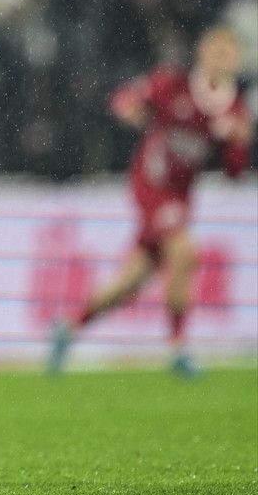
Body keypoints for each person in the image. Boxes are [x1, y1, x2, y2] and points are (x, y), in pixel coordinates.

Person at [48, 27, 253, 378]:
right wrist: (131, 111)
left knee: (132, 280)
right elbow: (124, 99)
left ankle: (69, 327)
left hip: (181, 197)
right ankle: (178, 348)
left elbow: (234, 173)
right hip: (150, 183)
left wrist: (239, 143)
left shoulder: (234, 108)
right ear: (202, 53)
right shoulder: (173, 85)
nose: (223, 59)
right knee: (184, 251)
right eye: (217, 51)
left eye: (230, 54)